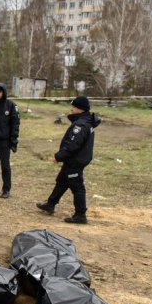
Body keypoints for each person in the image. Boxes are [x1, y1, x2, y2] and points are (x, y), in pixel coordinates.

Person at [37, 95, 100, 224]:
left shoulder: (81, 125)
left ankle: (80, 215)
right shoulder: (84, 122)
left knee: (77, 187)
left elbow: (72, 145)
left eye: (74, 106)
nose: (71, 109)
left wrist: (59, 156)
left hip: (75, 161)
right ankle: (50, 204)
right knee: (62, 181)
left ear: (80, 109)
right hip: (74, 160)